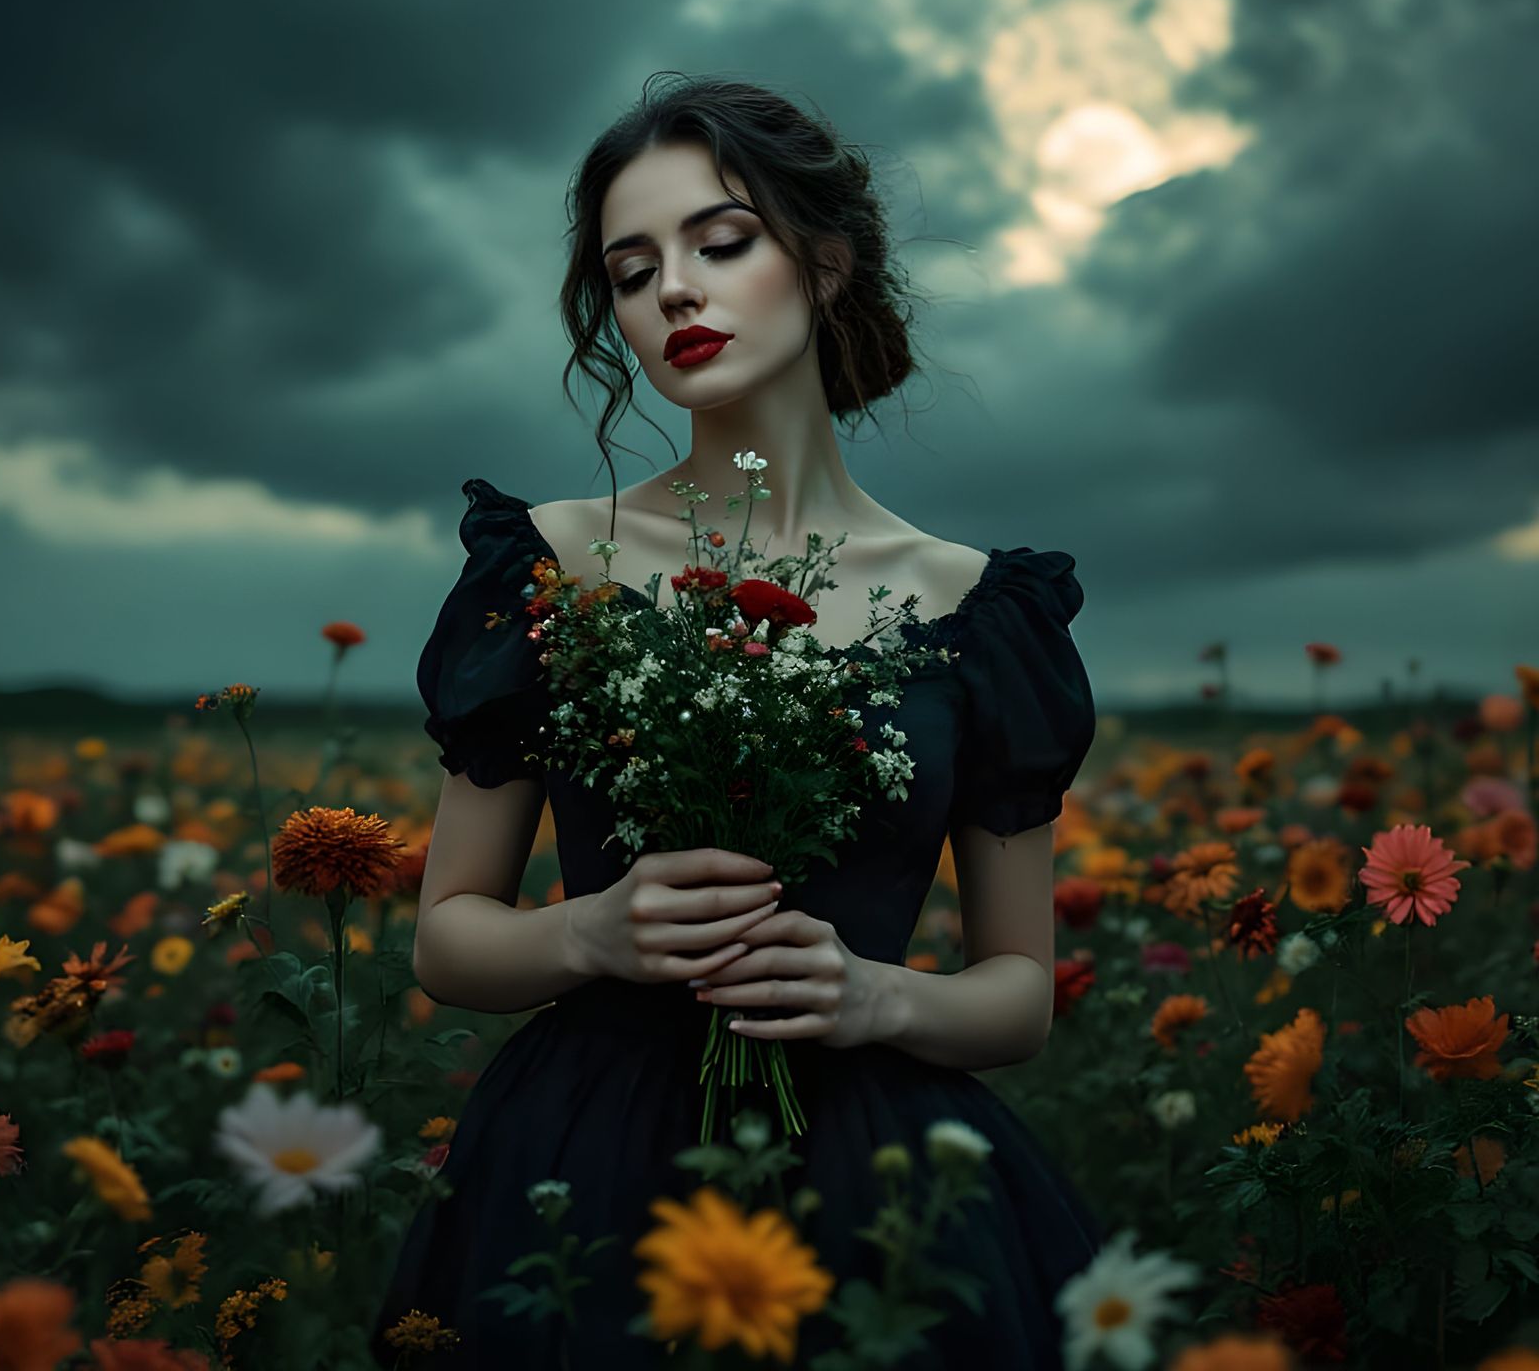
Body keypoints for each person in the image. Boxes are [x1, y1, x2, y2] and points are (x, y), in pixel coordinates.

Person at [370, 74, 1103, 1368]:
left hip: (879, 1173)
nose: (675, 295)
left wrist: (879, 999)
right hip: (584, 1158)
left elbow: (1019, 994)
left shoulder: (980, 610)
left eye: (721, 243)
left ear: (825, 264)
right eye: (632, 270)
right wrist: (592, 930)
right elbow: (448, 941)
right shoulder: (545, 565)